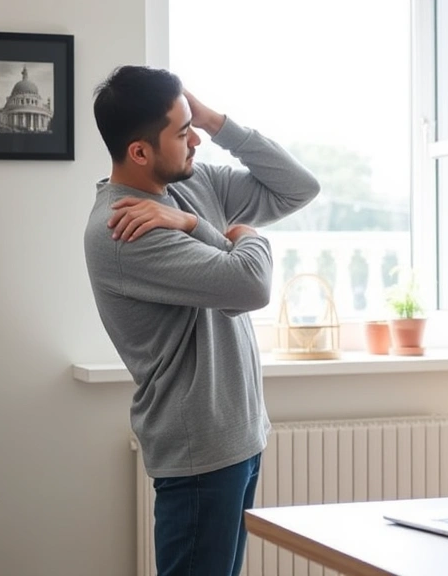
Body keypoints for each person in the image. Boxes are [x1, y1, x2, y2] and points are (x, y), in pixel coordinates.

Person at [84, 65, 320, 576]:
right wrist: (241, 235)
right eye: (181, 130)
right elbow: (248, 285)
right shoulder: (126, 228)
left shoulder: (191, 186)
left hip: (236, 434)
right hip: (201, 448)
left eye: (194, 124)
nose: (195, 141)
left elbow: (298, 188)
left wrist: (216, 123)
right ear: (140, 151)